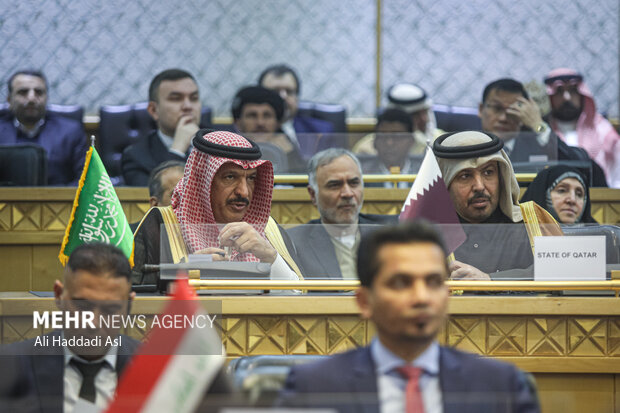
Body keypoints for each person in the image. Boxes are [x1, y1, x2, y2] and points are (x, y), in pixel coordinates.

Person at [278, 221, 540, 413]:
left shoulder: (502, 388)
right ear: (365, 301)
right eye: (401, 283)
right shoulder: (312, 389)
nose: (421, 298)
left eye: (433, 282)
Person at [132, 129, 303, 287]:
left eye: (251, 178)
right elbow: (133, 298)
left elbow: (301, 298)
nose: (243, 191)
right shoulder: (160, 223)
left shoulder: (269, 229)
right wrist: (182, 273)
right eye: (230, 177)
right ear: (202, 181)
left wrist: (270, 257)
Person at [0, 243, 141, 412]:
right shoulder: (9, 365)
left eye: (110, 310)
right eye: (83, 307)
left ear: (129, 305)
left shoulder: (158, 369)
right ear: (58, 295)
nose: (94, 323)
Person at [432, 130, 554, 279]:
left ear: (502, 177)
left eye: (488, 172)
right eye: (465, 176)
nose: (479, 186)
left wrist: (489, 279)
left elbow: (561, 272)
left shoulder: (533, 221)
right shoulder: (426, 233)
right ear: (445, 183)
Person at [287, 149, 396, 279]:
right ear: (313, 194)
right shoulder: (294, 243)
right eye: (335, 185)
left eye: (354, 183)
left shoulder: (391, 232)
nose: (348, 193)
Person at [478, 78, 608, 186]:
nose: (503, 118)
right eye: (496, 108)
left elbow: (582, 165)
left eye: (513, 111)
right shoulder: (465, 145)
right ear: (481, 109)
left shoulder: (540, 147)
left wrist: (538, 125)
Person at [0, 70, 88, 185]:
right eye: (23, 92)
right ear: (9, 100)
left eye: (39, 92)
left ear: (46, 98)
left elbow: (84, 179)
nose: (31, 98)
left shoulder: (70, 131)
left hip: (59, 200)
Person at [121, 69, 201, 186]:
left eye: (194, 98)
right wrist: (178, 150)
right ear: (154, 110)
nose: (188, 106)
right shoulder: (136, 157)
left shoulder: (222, 144)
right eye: (176, 98)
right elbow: (155, 200)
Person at [544, 68, 620, 188]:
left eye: (573, 91)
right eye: (559, 91)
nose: (567, 97)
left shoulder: (603, 131)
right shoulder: (543, 132)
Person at [258, 64, 337, 158]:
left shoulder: (320, 131)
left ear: (297, 97)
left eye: (289, 91)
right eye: (274, 92)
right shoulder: (246, 129)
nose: (283, 97)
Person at [353, 82, 444, 156]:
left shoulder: (441, 141)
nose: (424, 119)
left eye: (425, 112)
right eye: (416, 115)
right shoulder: (366, 150)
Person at [232, 85, 305, 172]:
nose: (260, 122)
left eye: (267, 115)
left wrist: (289, 155)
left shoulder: (288, 149)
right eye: (252, 115)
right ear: (238, 122)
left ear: (278, 123)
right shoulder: (226, 152)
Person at [361, 108, 421, 186]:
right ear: (375, 142)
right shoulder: (363, 174)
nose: (389, 143)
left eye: (397, 137)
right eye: (383, 136)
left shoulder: (423, 173)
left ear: (411, 141)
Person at [520, 165, 597, 224]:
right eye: (562, 191)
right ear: (542, 195)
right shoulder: (517, 235)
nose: (572, 200)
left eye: (579, 194)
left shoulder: (598, 238)